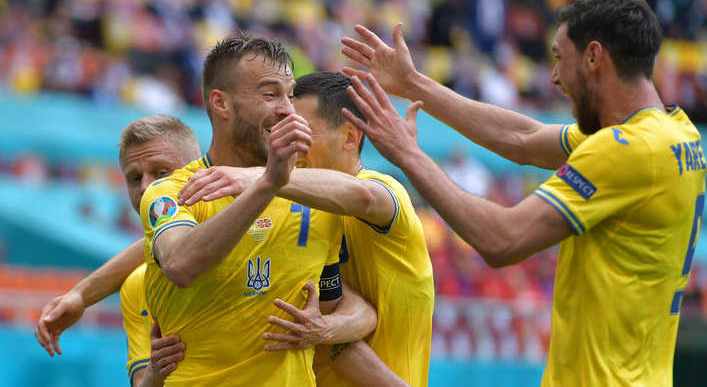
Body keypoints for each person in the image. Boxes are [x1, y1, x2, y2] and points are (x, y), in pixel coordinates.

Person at [341, 0, 704, 386]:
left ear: (594, 57)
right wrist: (414, 85)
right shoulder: (675, 133)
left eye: (559, 57)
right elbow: (523, 138)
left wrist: (409, 155)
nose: (553, 77)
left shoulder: (626, 150)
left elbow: (502, 239)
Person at [139, 35, 383, 386]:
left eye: (290, 94)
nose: (287, 108)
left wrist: (325, 327)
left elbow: (341, 303)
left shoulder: (315, 196)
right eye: (270, 94)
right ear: (221, 104)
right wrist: (266, 183)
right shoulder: (172, 192)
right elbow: (181, 264)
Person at [178, 71, 434, 387]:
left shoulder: (383, 190)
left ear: (350, 137)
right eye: (285, 132)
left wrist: (260, 176)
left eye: (304, 132)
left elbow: (362, 196)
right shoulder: (300, 210)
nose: (292, 146)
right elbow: (331, 316)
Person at [35, 114, 200, 386]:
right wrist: (156, 373)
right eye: (135, 178)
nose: (147, 187)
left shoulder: (248, 233)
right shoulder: (136, 286)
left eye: (161, 172)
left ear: (198, 171)